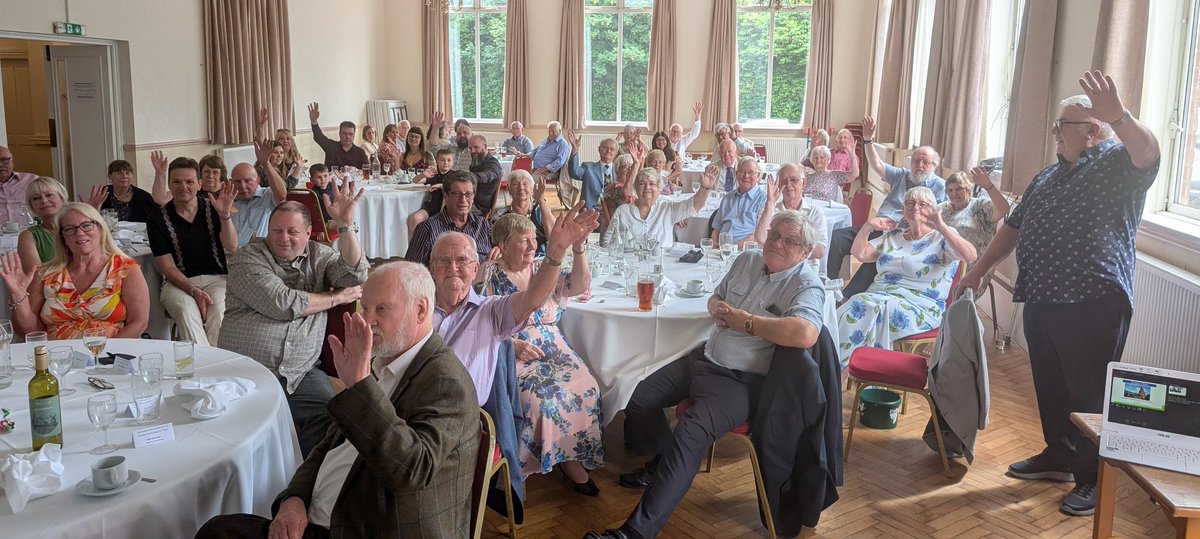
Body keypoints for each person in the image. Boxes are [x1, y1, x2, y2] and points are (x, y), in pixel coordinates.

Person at [959, 71, 1160, 517]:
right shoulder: (1048, 175)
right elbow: (1013, 226)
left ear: (1092, 130)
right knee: (1050, 385)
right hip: (1043, 296)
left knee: (1088, 395)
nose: (1055, 132)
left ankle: (1093, 479)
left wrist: (1120, 116)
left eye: (1062, 125)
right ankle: (1060, 455)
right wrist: (979, 269)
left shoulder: (1119, 165)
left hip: (1093, 302)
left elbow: (1149, 153)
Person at [196, 261, 480, 538]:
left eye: (381, 309)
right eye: (365, 308)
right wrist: (295, 498)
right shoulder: (385, 361)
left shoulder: (446, 381)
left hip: (371, 526)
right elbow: (328, 445)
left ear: (421, 310)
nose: (367, 321)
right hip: (324, 515)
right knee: (219, 529)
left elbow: (412, 470)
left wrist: (359, 385)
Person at [587, 210, 825, 539]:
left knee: (689, 434)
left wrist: (747, 323)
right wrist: (715, 306)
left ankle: (636, 532)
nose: (776, 243)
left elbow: (806, 333)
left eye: (790, 241)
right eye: (773, 235)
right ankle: (663, 461)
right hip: (703, 359)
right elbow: (717, 296)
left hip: (741, 382)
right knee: (635, 395)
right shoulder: (747, 260)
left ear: (806, 251)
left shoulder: (806, 284)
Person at [221, 189, 368, 457]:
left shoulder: (319, 256)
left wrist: (346, 226)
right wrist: (335, 298)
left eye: (292, 231)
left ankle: (301, 476)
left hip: (299, 372)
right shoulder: (247, 258)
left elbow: (354, 275)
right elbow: (282, 303)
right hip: (246, 371)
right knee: (240, 432)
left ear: (308, 233)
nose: (283, 238)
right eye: (276, 230)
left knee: (332, 417)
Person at [480, 213, 603, 495]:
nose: (532, 245)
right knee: (541, 402)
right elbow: (480, 322)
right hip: (511, 350)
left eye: (533, 238)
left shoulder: (543, 267)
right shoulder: (490, 275)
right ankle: (522, 468)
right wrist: (511, 345)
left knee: (588, 388)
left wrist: (579, 248)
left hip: (552, 344)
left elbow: (579, 286)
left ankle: (570, 457)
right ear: (503, 245)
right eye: (523, 240)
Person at [835, 186, 976, 365]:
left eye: (922, 204)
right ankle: (844, 368)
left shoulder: (941, 237)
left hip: (919, 306)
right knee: (856, 307)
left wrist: (942, 226)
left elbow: (970, 256)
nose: (915, 206)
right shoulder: (894, 236)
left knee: (863, 307)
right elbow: (860, 253)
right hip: (877, 297)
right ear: (903, 210)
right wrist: (868, 226)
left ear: (934, 211)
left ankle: (840, 369)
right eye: (910, 203)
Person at [827, 115, 947, 295]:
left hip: (903, 236)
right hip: (879, 227)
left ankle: (846, 298)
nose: (920, 165)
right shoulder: (902, 175)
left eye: (925, 162)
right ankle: (829, 287)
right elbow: (876, 164)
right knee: (837, 237)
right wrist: (868, 140)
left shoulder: (940, 186)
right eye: (916, 161)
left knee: (878, 259)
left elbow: (938, 219)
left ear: (934, 166)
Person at [1, 202, 150, 339]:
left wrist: (106, 354)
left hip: (112, 353)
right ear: (62, 238)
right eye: (69, 229)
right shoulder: (46, 274)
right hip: (58, 356)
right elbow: (28, 331)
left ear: (100, 229)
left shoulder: (125, 269)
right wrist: (18, 295)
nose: (79, 233)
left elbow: (139, 323)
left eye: (86, 225)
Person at [147, 157, 237, 346]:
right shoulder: (157, 218)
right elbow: (168, 268)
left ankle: (216, 361)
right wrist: (193, 290)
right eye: (177, 182)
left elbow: (231, 246)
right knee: (186, 310)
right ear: (169, 185)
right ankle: (207, 361)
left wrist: (224, 216)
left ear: (199, 184)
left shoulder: (214, 208)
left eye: (189, 182)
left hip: (217, 278)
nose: (183, 187)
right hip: (178, 283)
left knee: (218, 309)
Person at [604, 165, 716, 250]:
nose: (647, 187)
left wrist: (705, 188)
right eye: (642, 184)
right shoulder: (623, 211)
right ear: (636, 189)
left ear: (659, 189)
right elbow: (606, 242)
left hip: (662, 265)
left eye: (652, 184)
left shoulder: (667, 209)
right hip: (631, 265)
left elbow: (694, 206)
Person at [406, 171, 494, 267]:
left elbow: (501, 250)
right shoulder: (427, 229)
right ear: (446, 197)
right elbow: (412, 269)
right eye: (456, 194)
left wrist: (498, 249)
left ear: (473, 197)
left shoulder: (483, 225)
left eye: (468, 194)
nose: (463, 200)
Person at [754, 164, 829, 274]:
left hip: (805, 270)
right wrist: (770, 203)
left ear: (804, 183)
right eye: (784, 181)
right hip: (775, 269)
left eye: (793, 180)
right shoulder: (771, 209)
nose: (788, 184)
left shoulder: (814, 212)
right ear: (779, 185)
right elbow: (760, 239)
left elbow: (820, 251)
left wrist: (788, 251)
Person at [938, 169, 1010, 269]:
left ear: (969, 190)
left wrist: (989, 186)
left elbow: (1004, 209)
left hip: (974, 268)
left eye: (959, 189)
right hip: (945, 265)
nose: (954, 193)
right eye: (950, 190)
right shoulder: (941, 209)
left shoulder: (980, 206)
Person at [228, 141, 288, 247]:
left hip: (258, 252)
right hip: (231, 252)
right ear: (231, 182)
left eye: (248, 181)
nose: (243, 186)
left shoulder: (267, 196)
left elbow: (282, 194)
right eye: (237, 181)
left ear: (257, 181)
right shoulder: (229, 201)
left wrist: (266, 164)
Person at [490, 170, 556, 256]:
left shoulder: (540, 211)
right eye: (515, 184)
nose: (521, 187)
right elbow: (496, 244)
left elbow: (554, 238)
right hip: (513, 261)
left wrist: (541, 201)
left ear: (532, 190)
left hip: (541, 258)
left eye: (525, 184)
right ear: (509, 190)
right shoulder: (501, 215)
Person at [710, 157, 769, 246]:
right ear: (737, 175)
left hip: (746, 250)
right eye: (742, 172)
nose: (746, 176)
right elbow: (717, 229)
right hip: (722, 248)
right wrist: (714, 242)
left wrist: (734, 247)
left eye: (750, 172)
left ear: (758, 176)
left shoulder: (764, 200)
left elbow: (759, 236)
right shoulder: (727, 198)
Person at [17, 176, 68, 273]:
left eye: (49, 195)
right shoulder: (28, 236)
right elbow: (36, 276)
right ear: (32, 206)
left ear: (62, 198)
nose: (44, 201)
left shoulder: (77, 229)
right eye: (36, 198)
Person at [405, 148, 456, 238]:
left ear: (453, 162)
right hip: (433, 206)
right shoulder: (434, 174)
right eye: (442, 160)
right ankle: (415, 244)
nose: (445, 163)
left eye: (449, 160)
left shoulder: (454, 175)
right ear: (437, 161)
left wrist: (441, 186)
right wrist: (423, 175)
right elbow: (415, 181)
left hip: (448, 209)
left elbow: (455, 187)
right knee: (415, 219)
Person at [564, 131, 619, 210]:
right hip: (591, 210)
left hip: (613, 210)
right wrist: (575, 149)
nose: (608, 150)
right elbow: (574, 172)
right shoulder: (588, 167)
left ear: (616, 153)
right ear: (599, 149)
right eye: (605, 147)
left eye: (612, 149)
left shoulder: (619, 171)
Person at [307, 102, 369, 168]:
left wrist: (356, 170)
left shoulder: (360, 152)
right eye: (344, 133)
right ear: (339, 134)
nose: (347, 137)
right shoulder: (331, 147)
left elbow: (367, 169)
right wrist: (314, 121)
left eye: (350, 134)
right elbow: (319, 137)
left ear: (354, 135)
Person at [530, 121, 573, 208]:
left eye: (553, 131)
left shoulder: (563, 144)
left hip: (550, 172)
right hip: (537, 169)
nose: (550, 133)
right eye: (549, 131)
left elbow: (559, 162)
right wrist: (523, 155)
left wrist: (545, 168)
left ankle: (535, 202)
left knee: (529, 180)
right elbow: (534, 151)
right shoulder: (547, 140)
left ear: (560, 131)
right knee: (521, 176)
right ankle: (534, 200)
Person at [0, 145, 39, 223]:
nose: (0, 165)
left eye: (4, 160)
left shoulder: (32, 180)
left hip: (31, 229)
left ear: (12, 161)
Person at [468, 134, 503, 214]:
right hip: (472, 199)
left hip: (480, 207)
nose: (472, 151)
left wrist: (464, 176)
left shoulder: (493, 163)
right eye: (470, 148)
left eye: (476, 147)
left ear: (485, 147)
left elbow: (485, 177)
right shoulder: (478, 160)